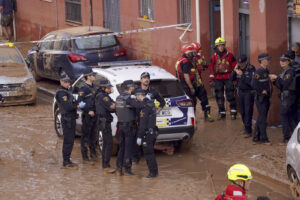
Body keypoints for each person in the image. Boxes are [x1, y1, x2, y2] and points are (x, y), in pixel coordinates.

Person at [132, 72, 165, 163]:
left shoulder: (153, 91)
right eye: (144, 78)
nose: (146, 79)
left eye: (148, 78)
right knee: (137, 138)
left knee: (150, 138)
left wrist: (157, 110)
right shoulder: (136, 91)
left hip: (149, 119)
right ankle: (136, 159)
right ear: (141, 80)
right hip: (138, 118)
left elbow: (162, 102)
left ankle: (149, 157)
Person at [175, 43, 214, 122]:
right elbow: (186, 76)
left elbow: (205, 65)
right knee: (192, 101)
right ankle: (192, 119)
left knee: (204, 98)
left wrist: (202, 63)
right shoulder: (185, 61)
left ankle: (207, 115)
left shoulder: (195, 58)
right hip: (187, 84)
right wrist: (191, 87)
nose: (195, 53)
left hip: (197, 81)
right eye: (192, 52)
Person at [270, 52, 297, 144]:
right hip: (285, 96)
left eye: (284, 61)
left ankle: (287, 137)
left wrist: (276, 78)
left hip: (289, 97)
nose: (281, 62)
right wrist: (274, 81)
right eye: (281, 60)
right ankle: (294, 136)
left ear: (289, 62)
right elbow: (281, 85)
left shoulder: (290, 71)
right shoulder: (284, 71)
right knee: (289, 117)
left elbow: (285, 84)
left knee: (284, 116)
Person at [209, 37, 237, 120]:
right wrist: (211, 80)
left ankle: (233, 112)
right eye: (219, 46)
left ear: (224, 46)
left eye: (222, 45)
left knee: (230, 95)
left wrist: (235, 79)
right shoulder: (213, 57)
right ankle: (222, 113)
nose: (221, 47)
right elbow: (211, 69)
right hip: (218, 79)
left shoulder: (230, 55)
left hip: (228, 78)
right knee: (219, 96)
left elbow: (235, 66)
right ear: (216, 47)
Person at [55, 73, 78, 168]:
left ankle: (68, 159)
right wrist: (76, 106)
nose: (67, 83)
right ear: (61, 81)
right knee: (68, 141)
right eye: (65, 82)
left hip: (71, 118)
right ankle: (66, 162)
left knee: (71, 140)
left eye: (68, 81)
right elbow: (68, 106)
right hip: (67, 119)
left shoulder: (67, 91)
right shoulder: (61, 93)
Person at [135, 88, 158, 178]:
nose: (136, 98)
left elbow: (143, 123)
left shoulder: (144, 107)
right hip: (153, 132)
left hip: (147, 133)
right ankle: (155, 172)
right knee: (151, 153)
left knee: (149, 154)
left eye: (137, 96)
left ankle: (152, 173)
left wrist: (139, 136)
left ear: (139, 95)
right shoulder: (151, 103)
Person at [115, 80, 137, 176]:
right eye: (133, 86)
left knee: (121, 147)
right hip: (129, 126)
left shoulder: (118, 98)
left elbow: (117, 111)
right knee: (128, 148)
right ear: (130, 87)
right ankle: (127, 169)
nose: (134, 88)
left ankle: (118, 168)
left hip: (120, 126)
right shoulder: (129, 98)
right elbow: (138, 106)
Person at [230, 54, 255, 137]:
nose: (241, 65)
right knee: (242, 111)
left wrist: (242, 75)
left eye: (242, 64)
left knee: (248, 111)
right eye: (239, 64)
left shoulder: (251, 69)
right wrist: (234, 71)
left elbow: (251, 83)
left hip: (248, 93)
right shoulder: (238, 69)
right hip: (240, 92)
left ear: (246, 62)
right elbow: (231, 79)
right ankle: (245, 126)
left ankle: (248, 130)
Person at [251, 53, 273, 145]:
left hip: (266, 97)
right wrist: (261, 91)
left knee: (261, 117)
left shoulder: (266, 70)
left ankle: (256, 137)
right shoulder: (258, 72)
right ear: (262, 61)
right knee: (263, 118)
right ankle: (264, 139)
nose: (268, 61)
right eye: (267, 59)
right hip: (260, 98)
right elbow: (253, 84)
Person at [77, 71, 98, 163]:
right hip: (87, 116)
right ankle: (85, 156)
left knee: (93, 136)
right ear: (88, 77)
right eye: (93, 75)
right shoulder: (83, 88)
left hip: (95, 115)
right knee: (85, 136)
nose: (94, 77)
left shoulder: (94, 87)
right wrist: (88, 110)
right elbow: (79, 103)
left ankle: (93, 154)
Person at [95, 79, 115, 171]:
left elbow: (113, 104)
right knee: (108, 143)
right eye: (108, 87)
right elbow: (112, 107)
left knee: (107, 143)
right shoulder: (102, 96)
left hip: (105, 121)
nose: (110, 89)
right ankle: (106, 165)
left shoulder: (104, 95)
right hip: (104, 122)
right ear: (103, 88)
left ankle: (105, 164)